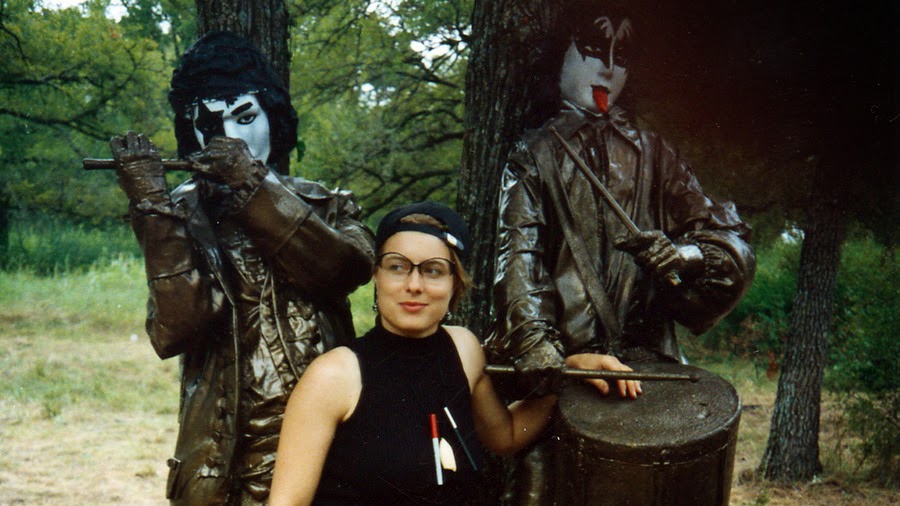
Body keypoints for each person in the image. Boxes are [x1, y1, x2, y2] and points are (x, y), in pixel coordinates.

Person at [488, 5, 756, 503]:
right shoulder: (533, 154)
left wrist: (685, 256)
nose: (608, 68)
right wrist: (542, 352)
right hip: (567, 376)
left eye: (621, 56)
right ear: (561, 56)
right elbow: (518, 257)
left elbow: (732, 244)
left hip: (653, 376)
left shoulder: (659, 155)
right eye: (592, 51)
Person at [108, 32, 374, 505]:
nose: (231, 137)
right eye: (211, 124)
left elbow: (342, 271)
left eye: (246, 117)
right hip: (221, 461)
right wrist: (152, 208)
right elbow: (176, 330)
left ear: (274, 115)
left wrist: (254, 186)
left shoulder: (327, 204)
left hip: (329, 448)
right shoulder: (178, 213)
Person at [268, 201, 639, 506]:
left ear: (455, 283)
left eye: (433, 271)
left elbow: (504, 436)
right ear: (377, 277)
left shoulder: (463, 348)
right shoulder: (335, 375)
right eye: (397, 267)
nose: (414, 285)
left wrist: (566, 374)